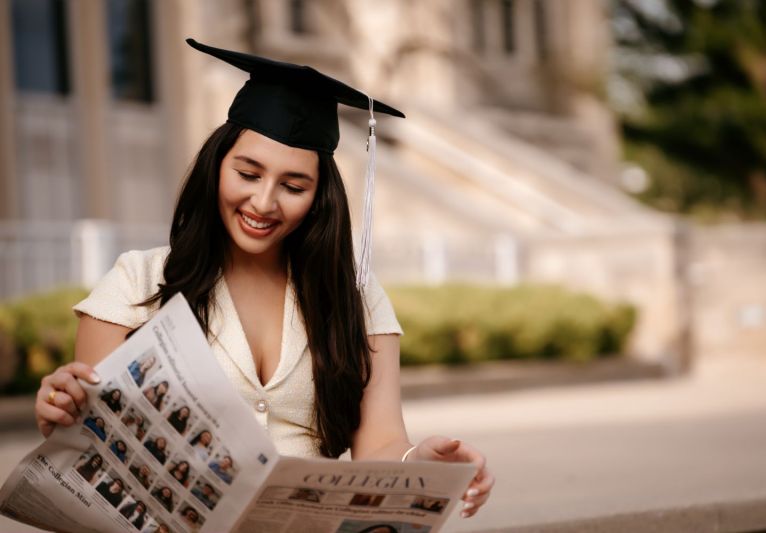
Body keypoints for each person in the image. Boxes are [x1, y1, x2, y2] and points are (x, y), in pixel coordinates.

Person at [33, 38, 493, 518]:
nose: (264, 203)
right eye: (248, 174)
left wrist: (425, 463)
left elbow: (378, 447)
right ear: (217, 167)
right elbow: (95, 445)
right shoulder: (137, 282)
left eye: (293, 186)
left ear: (319, 197)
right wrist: (62, 414)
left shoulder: (356, 298)